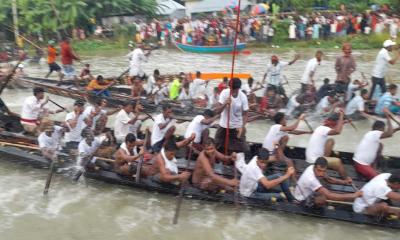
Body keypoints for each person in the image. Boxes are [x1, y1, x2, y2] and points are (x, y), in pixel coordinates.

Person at [294, 157, 363, 207]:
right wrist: (354, 195)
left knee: (325, 186)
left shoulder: (313, 167)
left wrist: (344, 182)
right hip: (301, 200)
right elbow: (329, 195)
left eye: (323, 171)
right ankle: (314, 209)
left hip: (309, 191)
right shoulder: (311, 179)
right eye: (319, 170)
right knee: (322, 199)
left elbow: (329, 179)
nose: (321, 174)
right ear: (315, 167)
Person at [305, 111, 351, 180]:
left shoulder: (320, 128)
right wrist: (341, 116)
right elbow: (337, 131)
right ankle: (347, 180)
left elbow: (335, 126)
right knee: (338, 162)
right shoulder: (324, 129)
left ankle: (325, 161)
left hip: (310, 158)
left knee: (330, 141)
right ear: (333, 123)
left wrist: (344, 122)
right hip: (314, 161)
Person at [214, 78, 250, 154]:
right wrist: (225, 103)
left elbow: (246, 113)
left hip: (237, 125)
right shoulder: (224, 93)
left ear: (238, 88)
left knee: (245, 149)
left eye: (234, 90)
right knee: (216, 144)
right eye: (231, 89)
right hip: (224, 124)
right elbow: (217, 111)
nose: (232, 91)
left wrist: (242, 127)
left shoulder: (243, 97)